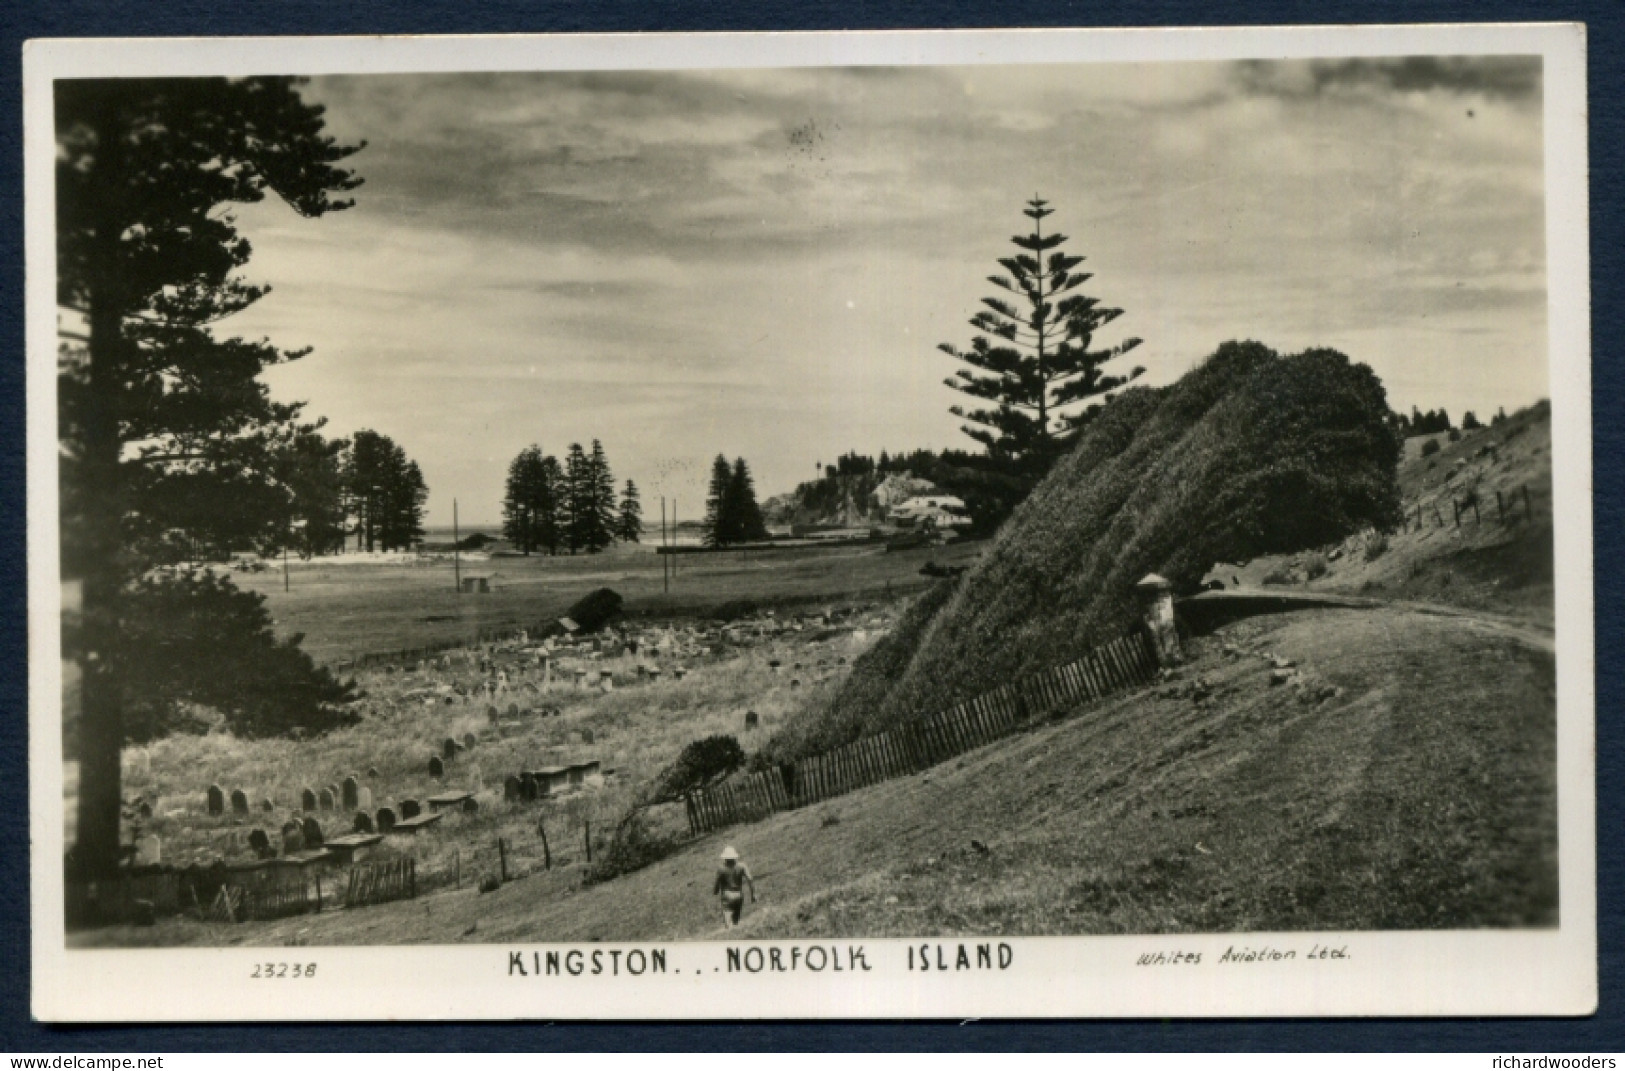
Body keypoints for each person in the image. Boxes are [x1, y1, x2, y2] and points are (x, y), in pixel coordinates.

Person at [713, 845, 755, 928]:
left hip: (727, 896)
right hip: (739, 895)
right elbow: (750, 879)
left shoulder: (721, 868)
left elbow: (717, 883)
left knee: (728, 924)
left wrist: (715, 890)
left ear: (725, 858)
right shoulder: (742, 866)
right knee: (736, 922)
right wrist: (753, 894)